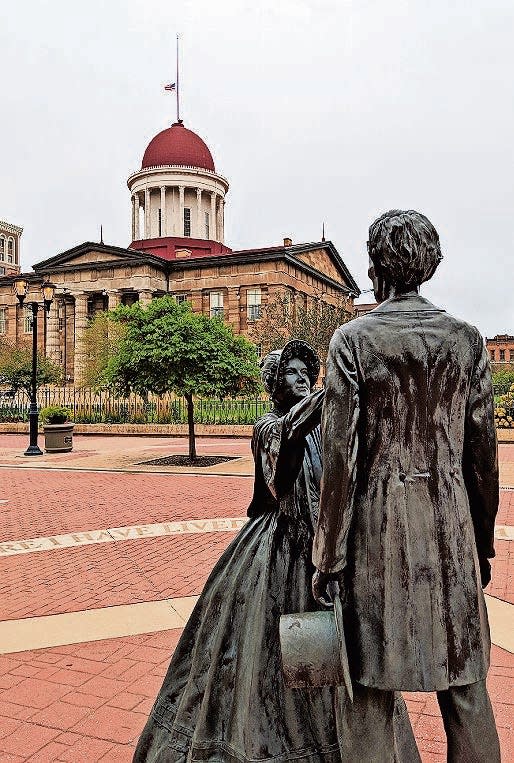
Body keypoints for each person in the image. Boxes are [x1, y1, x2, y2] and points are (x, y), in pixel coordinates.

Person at [312, 210, 501, 762]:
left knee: (368, 691)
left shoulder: (352, 341)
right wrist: (480, 544)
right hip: (450, 535)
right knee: (465, 689)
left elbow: (339, 465)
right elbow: (483, 461)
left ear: (377, 267)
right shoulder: (466, 341)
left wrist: (328, 558)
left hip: (375, 539)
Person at [133, 340, 342, 762]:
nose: (302, 379)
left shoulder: (323, 427)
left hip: (320, 551)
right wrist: (340, 384)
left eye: (307, 373)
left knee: (328, 658)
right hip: (275, 548)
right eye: (292, 373)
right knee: (262, 656)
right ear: (273, 387)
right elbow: (289, 443)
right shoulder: (269, 426)